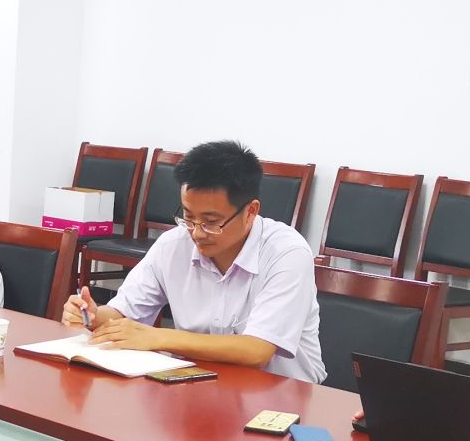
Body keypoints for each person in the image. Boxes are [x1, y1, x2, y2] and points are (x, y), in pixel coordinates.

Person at [65, 139, 323, 382]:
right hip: (199, 383)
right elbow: (124, 311)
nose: (197, 233)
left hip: (282, 395)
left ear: (250, 212)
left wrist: (157, 337)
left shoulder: (286, 254)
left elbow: (257, 350)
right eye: (188, 217)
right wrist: (94, 316)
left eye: (211, 222)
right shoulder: (173, 245)